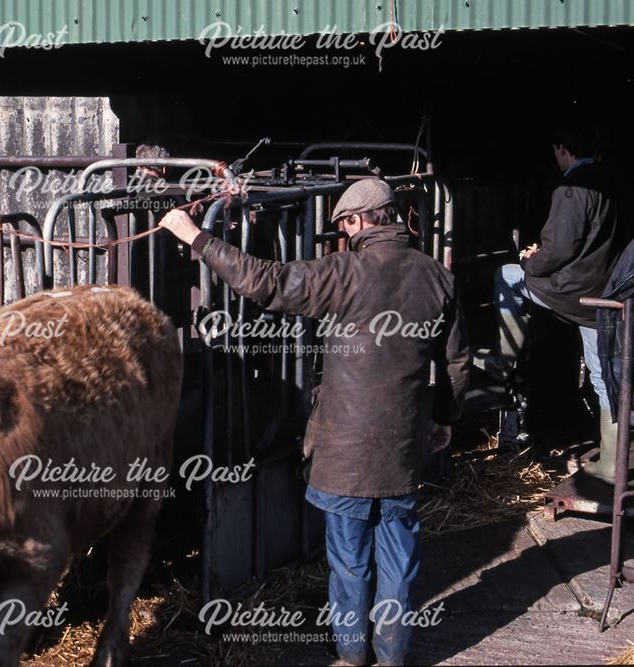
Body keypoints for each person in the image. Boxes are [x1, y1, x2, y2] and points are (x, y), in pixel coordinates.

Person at [160, 178, 470, 665]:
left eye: (345, 225)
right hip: (404, 448)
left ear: (359, 221)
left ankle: (350, 651)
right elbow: (456, 362)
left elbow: (265, 281)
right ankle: (393, 652)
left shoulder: (342, 273)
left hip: (346, 450)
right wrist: (444, 418)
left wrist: (197, 237)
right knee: (400, 555)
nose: (345, 235)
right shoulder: (437, 278)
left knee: (349, 560)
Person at [493, 124, 623, 482]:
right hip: (603, 295)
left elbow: (558, 250)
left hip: (570, 292)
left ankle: (503, 360)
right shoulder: (613, 181)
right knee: (603, 376)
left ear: (562, 149)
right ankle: (614, 460)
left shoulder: (571, 189)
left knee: (507, 276)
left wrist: (529, 260)